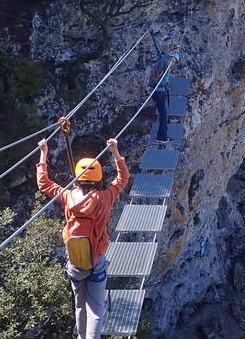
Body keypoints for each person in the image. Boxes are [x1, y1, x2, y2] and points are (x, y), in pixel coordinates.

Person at [36, 137, 130, 339]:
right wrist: (114, 152)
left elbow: (44, 184)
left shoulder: (68, 197)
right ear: (98, 179)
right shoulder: (105, 198)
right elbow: (123, 179)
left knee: (80, 307)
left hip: (76, 263)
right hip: (96, 261)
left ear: (77, 178)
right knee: (95, 309)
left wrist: (44, 152)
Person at [149, 36, 181, 144]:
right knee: (164, 114)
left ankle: (162, 135)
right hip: (159, 91)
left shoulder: (161, 61)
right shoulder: (166, 61)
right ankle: (162, 137)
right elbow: (171, 62)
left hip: (158, 90)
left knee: (163, 113)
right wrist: (176, 54)